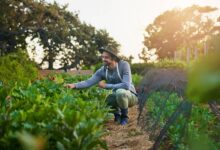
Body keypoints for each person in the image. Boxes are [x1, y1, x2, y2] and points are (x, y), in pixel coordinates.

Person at [65, 46, 138, 125]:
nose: (103, 59)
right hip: (117, 96)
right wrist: (74, 85)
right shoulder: (102, 71)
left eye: (106, 57)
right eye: (102, 57)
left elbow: (126, 85)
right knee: (105, 97)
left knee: (120, 92)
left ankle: (124, 117)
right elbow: (88, 82)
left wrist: (106, 86)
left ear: (113, 58)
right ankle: (117, 115)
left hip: (130, 96)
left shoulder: (124, 65)